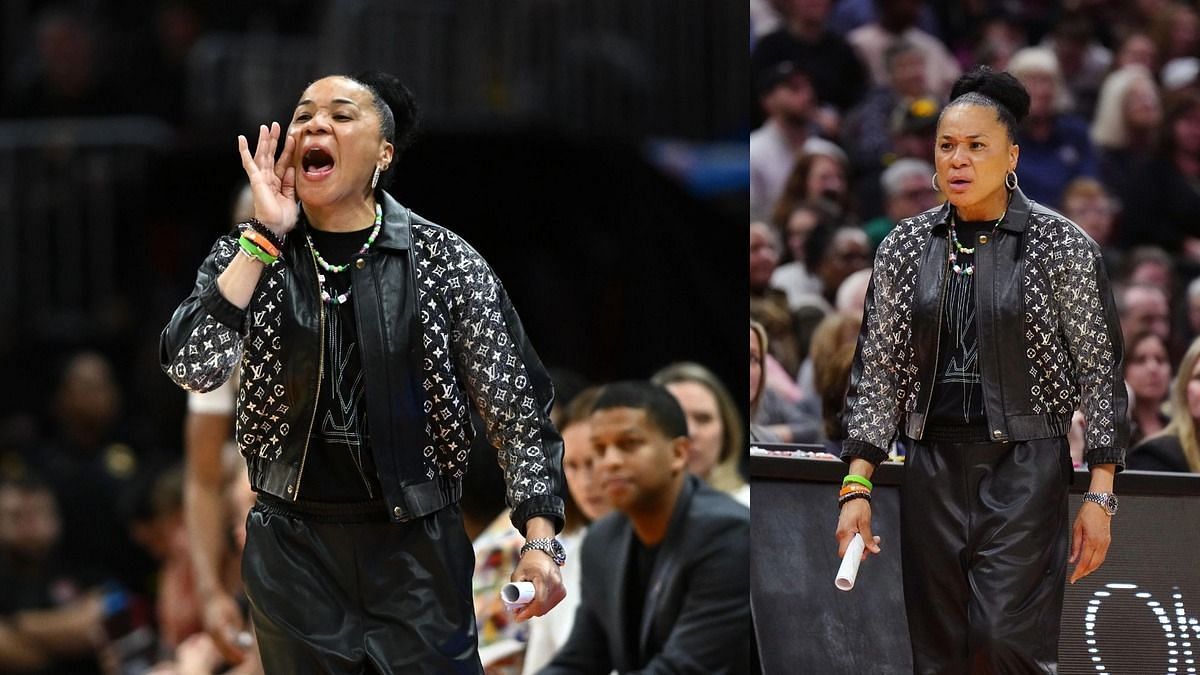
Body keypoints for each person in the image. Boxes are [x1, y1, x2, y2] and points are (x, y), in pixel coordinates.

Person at [160, 71, 566, 674]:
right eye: (302, 115)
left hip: (417, 548)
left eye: (341, 114)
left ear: (385, 151)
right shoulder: (249, 256)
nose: (316, 123)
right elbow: (190, 366)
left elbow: (518, 414)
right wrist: (263, 238)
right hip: (293, 549)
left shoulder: (444, 260)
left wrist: (538, 539)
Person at [838, 67, 1127, 673]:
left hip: (1024, 468)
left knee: (1002, 641)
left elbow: (1100, 372)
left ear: (1012, 155)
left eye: (977, 146)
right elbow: (879, 369)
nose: (959, 160)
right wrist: (857, 484)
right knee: (939, 653)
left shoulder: (1062, 245)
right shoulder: (905, 245)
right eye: (947, 146)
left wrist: (1101, 493)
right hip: (930, 466)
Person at [540, 381, 750, 674]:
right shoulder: (602, 540)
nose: (609, 462)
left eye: (628, 444)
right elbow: (580, 660)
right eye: (599, 449)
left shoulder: (728, 533)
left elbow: (684, 669)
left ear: (679, 453)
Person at [652, 362, 750, 505]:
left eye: (703, 419)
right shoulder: (618, 513)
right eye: (674, 418)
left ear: (726, 433)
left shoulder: (748, 507)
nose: (690, 432)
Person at [1127, 335, 1200, 473]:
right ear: (1184, 388)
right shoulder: (1155, 456)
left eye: (1160, 360)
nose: (1152, 368)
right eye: (1199, 377)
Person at [1123, 331, 1171, 447]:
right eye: (1140, 360)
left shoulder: (1180, 429)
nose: (1153, 368)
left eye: (1160, 360)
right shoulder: (1113, 432)